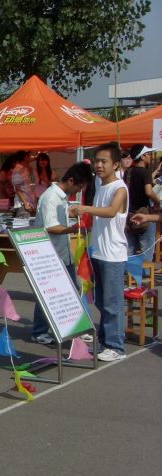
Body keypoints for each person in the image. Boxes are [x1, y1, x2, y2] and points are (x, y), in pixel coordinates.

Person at [70, 142, 129, 362]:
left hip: (113, 254)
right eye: (97, 161)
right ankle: (106, 342)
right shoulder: (100, 185)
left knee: (112, 303)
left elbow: (111, 211)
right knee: (102, 302)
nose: (99, 165)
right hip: (98, 252)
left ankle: (116, 346)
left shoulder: (120, 188)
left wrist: (85, 208)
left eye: (104, 161)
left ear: (116, 164)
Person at [30, 162, 94, 345]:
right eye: (79, 187)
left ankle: (74, 328)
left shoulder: (62, 197)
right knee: (48, 293)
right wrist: (73, 229)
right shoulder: (51, 197)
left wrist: (74, 216)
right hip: (50, 254)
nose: (78, 191)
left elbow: (60, 219)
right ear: (71, 180)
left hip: (63, 252)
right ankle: (39, 331)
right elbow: (51, 226)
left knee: (71, 291)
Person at [124, 144, 161, 257]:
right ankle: (145, 269)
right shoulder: (145, 172)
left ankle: (131, 268)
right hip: (144, 214)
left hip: (129, 215)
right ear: (143, 156)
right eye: (148, 154)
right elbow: (149, 191)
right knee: (146, 251)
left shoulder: (128, 172)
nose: (150, 156)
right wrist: (158, 202)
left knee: (130, 251)